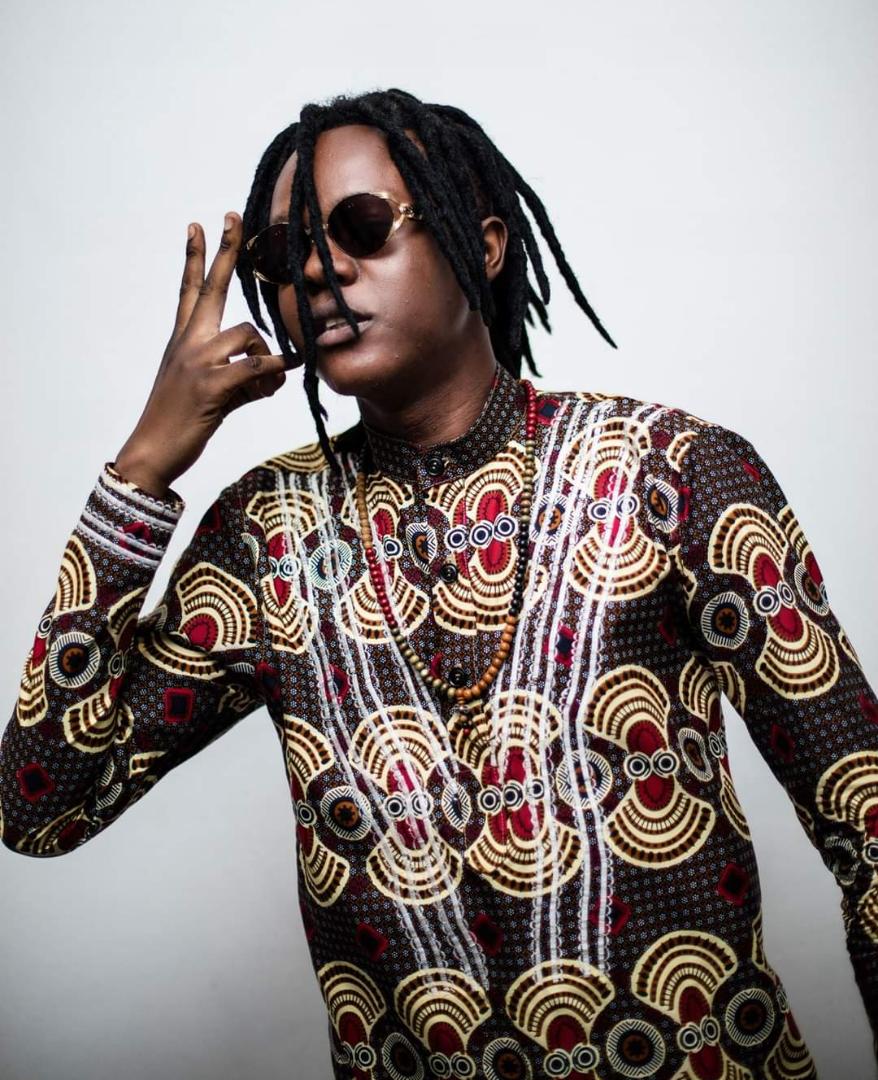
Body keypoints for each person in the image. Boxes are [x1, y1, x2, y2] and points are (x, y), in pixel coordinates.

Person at [2, 86, 875, 1078]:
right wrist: (143, 469)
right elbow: (42, 805)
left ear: (483, 245)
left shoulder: (670, 473)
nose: (319, 271)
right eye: (284, 255)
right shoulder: (264, 536)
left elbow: (868, 821)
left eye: (360, 226)